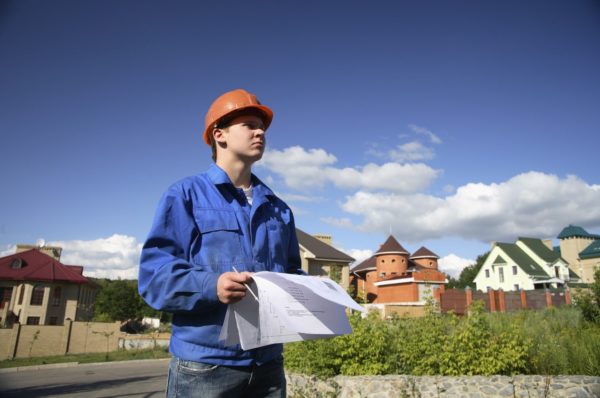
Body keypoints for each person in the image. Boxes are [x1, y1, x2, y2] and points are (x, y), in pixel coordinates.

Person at [138, 89, 302, 398]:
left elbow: (290, 273)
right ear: (219, 135)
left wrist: (316, 292)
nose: (260, 132)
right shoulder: (186, 195)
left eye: (262, 127)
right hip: (205, 368)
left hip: (268, 366)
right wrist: (211, 286)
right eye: (250, 125)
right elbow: (155, 277)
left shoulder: (278, 209)